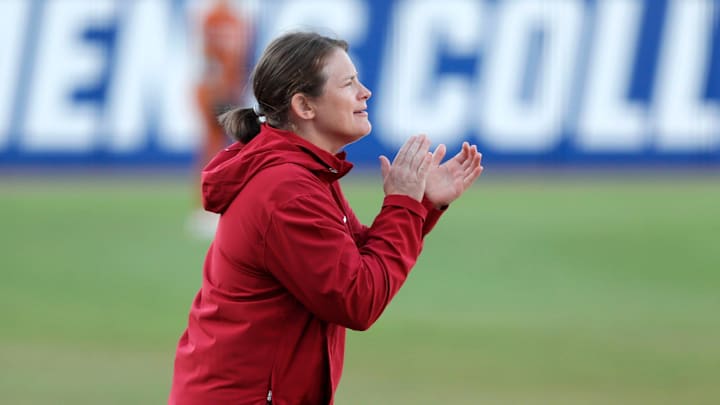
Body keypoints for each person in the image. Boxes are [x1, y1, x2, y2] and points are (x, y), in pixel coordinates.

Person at [169, 31, 483, 404]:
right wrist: (402, 204)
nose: (365, 92)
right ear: (304, 106)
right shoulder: (286, 189)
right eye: (349, 83)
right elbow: (357, 296)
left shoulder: (300, 172)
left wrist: (421, 204)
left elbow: (351, 259)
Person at [188, 0, 252, 238]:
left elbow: (240, 58)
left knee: (238, 146)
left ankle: (233, 205)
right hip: (213, 89)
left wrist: (237, 87)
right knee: (213, 146)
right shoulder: (213, 17)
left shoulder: (235, 18)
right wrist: (216, 88)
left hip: (229, 88)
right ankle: (207, 207)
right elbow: (207, 56)